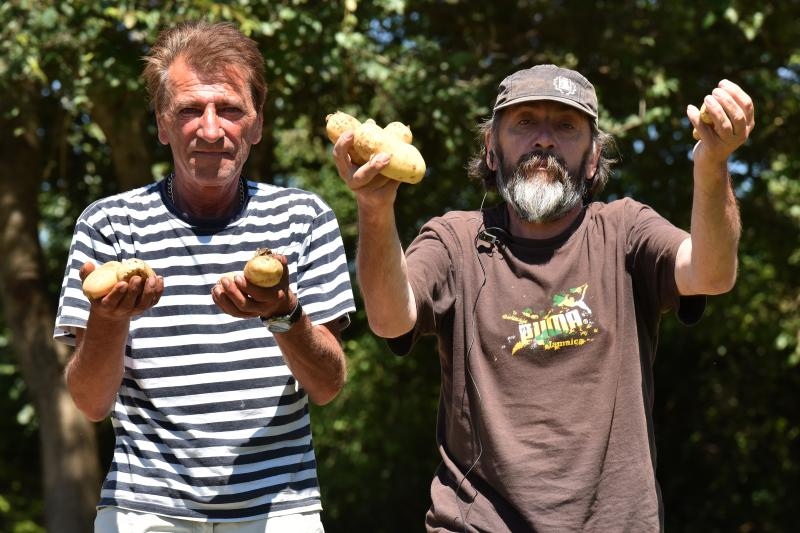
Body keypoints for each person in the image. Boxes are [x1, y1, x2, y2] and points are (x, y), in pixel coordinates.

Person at [332, 64, 754, 531]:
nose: (545, 140)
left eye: (566, 126)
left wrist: (713, 163)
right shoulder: (455, 240)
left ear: (593, 158)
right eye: (525, 122)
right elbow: (391, 319)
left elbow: (712, 273)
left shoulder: (625, 230)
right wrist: (374, 209)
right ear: (491, 150)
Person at [54, 21, 355, 532]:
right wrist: (108, 320)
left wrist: (284, 314)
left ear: (257, 125)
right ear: (162, 124)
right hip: (143, 511)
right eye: (190, 109)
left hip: (279, 510)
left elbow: (327, 385)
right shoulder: (108, 225)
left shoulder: (304, 218)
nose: (211, 129)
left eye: (230, 109)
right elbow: (90, 403)